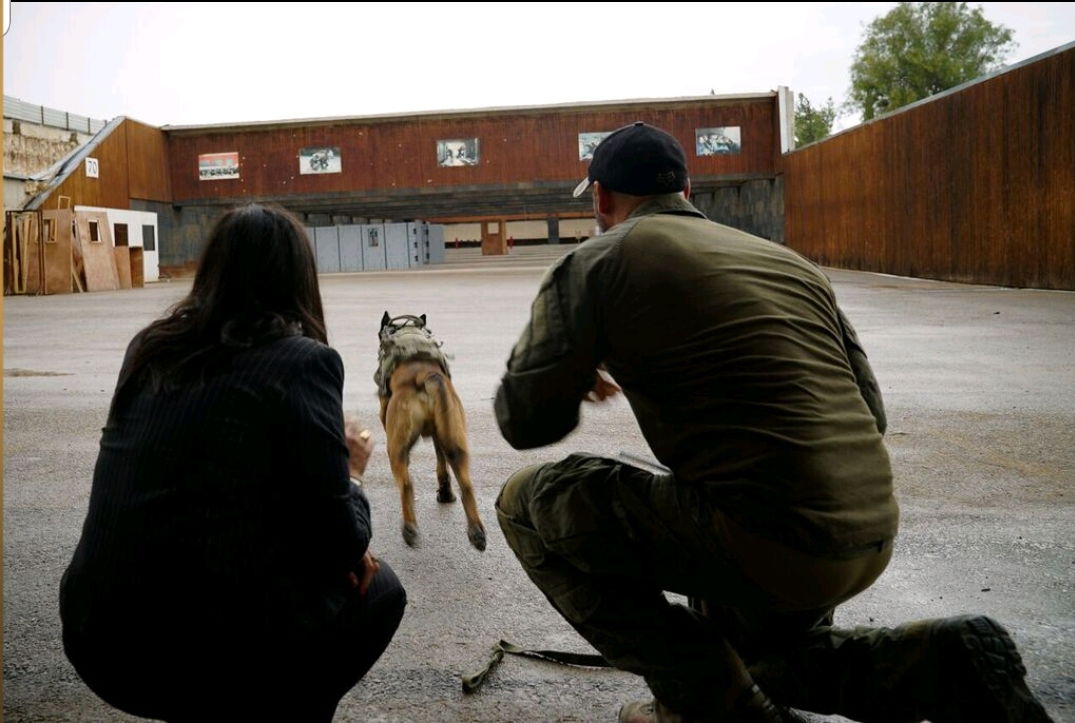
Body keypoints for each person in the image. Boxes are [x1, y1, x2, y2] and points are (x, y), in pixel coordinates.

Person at [493, 122, 1053, 723]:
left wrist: (574, 373)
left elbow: (525, 422)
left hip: (766, 540)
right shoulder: (790, 264)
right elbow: (872, 413)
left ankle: (706, 703)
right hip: (864, 530)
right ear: (688, 190)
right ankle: (945, 663)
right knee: (767, 659)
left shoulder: (596, 262)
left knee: (525, 502)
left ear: (601, 197)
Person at [60, 203, 406, 723]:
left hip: (99, 637)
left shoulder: (149, 348)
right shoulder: (304, 361)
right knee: (381, 591)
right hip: (200, 659)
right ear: (298, 279)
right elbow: (343, 542)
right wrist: (352, 473)